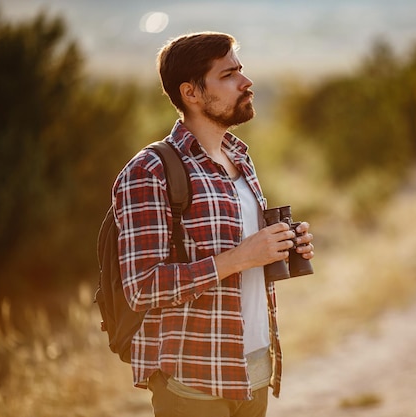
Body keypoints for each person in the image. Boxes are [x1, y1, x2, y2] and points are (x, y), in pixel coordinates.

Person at [112, 31, 314, 417]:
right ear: (191, 93)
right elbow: (141, 287)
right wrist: (238, 257)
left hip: (253, 367)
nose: (246, 81)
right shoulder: (150, 170)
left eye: (241, 70)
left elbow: (245, 258)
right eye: (229, 75)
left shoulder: (238, 157)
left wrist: (283, 248)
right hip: (194, 382)